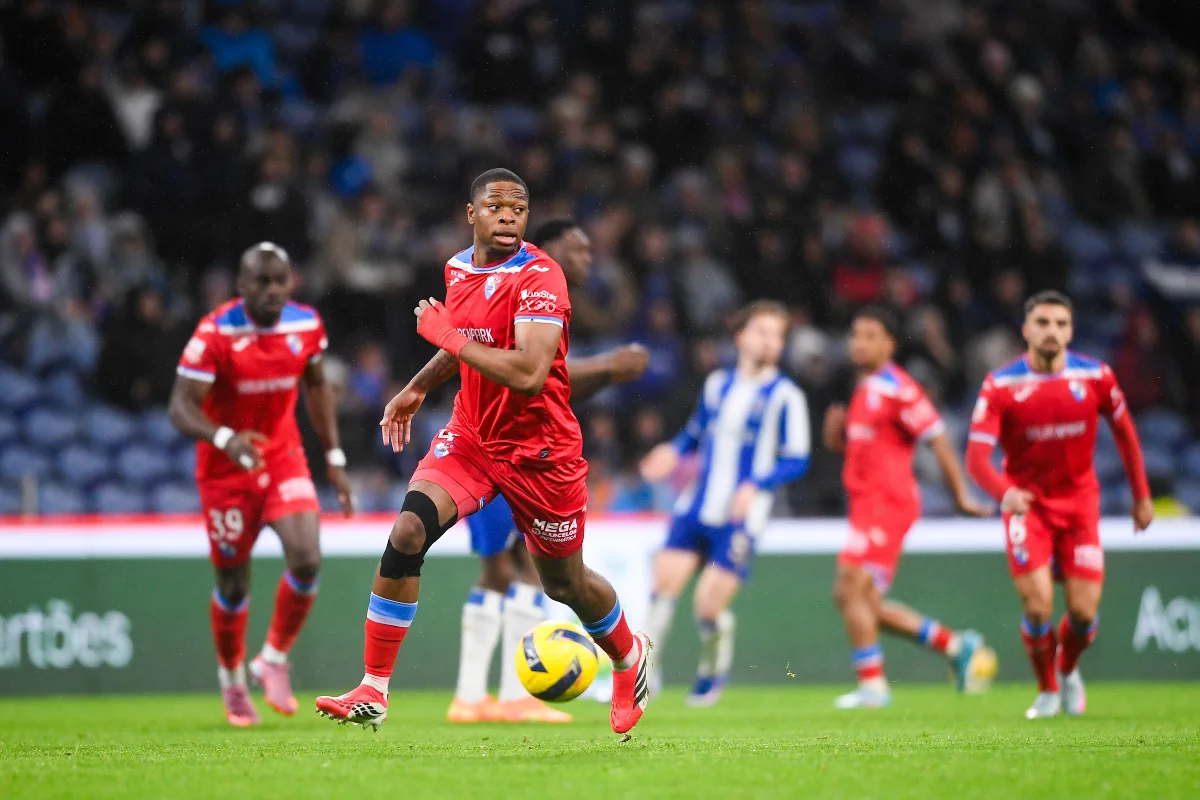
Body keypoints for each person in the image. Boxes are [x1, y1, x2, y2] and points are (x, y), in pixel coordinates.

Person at [315, 169, 652, 735]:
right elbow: (472, 339)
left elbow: (526, 373)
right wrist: (420, 384)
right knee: (407, 533)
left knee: (563, 584)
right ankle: (373, 688)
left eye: (518, 209)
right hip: (472, 436)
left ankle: (627, 655)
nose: (508, 216)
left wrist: (444, 335)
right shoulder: (458, 268)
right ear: (471, 213)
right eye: (495, 205)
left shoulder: (542, 275)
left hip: (541, 452)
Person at [448, 218, 649, 724]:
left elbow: (550, 382)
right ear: (552, 249)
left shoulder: (543, 297)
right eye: (577, 250)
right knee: (511, 566)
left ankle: (481, 696)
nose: (587, 260)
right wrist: (607, 367)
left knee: (518, 570)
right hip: (497, 444)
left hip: (515, 446)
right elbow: (531, 377)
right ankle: (497, 695)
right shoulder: (525, 284)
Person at [168, 242, 354, 727]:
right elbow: (180, 407)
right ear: (242, 286)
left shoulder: (305, 324)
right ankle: (231, 681)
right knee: (233, 582)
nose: (273, 291)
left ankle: (272, 659)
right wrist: (224, 437)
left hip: (282, 455)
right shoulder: (215, 333)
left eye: (280, 281)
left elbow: (316, 387)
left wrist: (333, 457)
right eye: (262, 282)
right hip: (227, 469)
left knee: (308, 558)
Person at [966, 290, 1153, 719]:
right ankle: (1047, 689)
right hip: (1027, 506)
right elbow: (976, 458)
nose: (1052, 332)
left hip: (1080, 506)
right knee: (1037, 605)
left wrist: (1141, 496)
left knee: (1084, 613)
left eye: (1061, 324)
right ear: (1026, 330)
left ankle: (1066, 670)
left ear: (1071, 331)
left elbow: (1126, 435)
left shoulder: (1096, 376)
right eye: (1044, 323)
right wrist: (1004, 492)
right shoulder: (1001, 385)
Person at [638, 300, 811, 707]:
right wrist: (672, 451)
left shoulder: (786, 396)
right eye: (763, 332)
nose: (771, 342)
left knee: (707, 607)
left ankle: (712, 671)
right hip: (696, 505)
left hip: (741, 517)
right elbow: (695, 433)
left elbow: (797, 458)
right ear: (741, 337)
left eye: (778, 336)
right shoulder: (717, 384)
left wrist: (756, 483)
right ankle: (644, 678)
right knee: (662, 588)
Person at [823, 306, 993, 710]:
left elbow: (937, 438)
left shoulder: (900, 388)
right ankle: (956, 645)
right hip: (868, 506)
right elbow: (863, 452)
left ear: (889, 344)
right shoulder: (865, 389)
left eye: (869, 335)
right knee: (862, 602)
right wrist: (835, 439)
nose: (859, 343)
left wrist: (961, 495)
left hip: (887, 506)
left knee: (849, 593)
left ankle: (873, 686)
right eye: (855, 335)